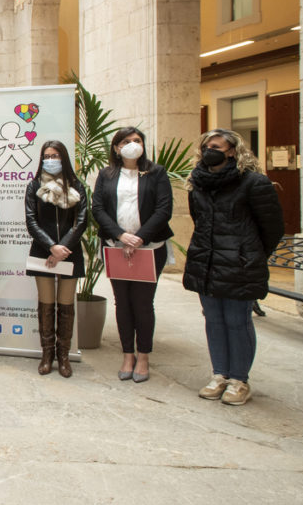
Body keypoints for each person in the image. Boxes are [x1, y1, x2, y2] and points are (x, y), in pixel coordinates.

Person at [184, 129, 284, 406]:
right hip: (208, 261)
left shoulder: (254, 183)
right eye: (206, 146)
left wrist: (250, 254)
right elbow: (199, 220)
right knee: (214, 320)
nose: (209, 150)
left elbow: (272, 228)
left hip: (240, 263)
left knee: (237, 322)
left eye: (216, 145)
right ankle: (219, 375)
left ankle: (239, 380)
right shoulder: (198, 183)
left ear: (232, 150)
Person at [91, 126, 173, 383]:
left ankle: (144, 355)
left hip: (149, 248)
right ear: (117, 147)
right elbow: (99, 208)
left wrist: (139, 237)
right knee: (122, 302)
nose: (132, 144)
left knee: (143, 303)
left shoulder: (156, 172)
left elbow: (164, 209)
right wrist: (120, 235)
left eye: (137, 140)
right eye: (126, 141)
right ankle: (128, 354)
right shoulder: (106, 174)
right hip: (116, 247)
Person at [24, 140, 88, 377]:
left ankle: (64, 356)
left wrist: (63, 248)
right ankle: (47, 354)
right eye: (47, 155)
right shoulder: (33, 186)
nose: (51, 159)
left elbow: (81, 221)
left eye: (55, 155)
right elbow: (31, 221)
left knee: (66, 305)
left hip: (70, 252)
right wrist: (51, 246)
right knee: (46, 305)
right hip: (42, 251)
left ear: (64, 158)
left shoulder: (77, 186)